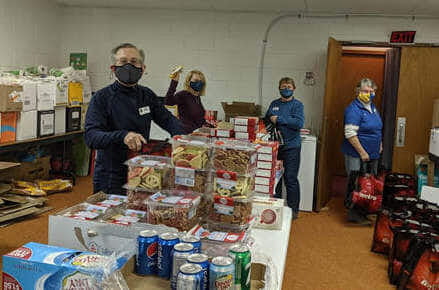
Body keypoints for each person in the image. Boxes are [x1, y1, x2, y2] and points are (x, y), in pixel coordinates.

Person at [85, 43, 184, 195]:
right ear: (113, 68)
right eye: (123, 61)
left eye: (134, 61)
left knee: (138, 213)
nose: (129, 66)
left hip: (142, 172)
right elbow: (91, 137)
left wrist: (185, 139)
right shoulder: (101, 97)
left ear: (143, 68)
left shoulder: (147, 95)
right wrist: (123, 136)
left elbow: (168, 120)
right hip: (111, 175)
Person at [342, 78, 383, 225]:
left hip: (372, 153)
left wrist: (380, 143)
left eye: (372, 91)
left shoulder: (373, 107)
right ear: (358, 91)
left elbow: (377, 128)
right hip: (357, 153)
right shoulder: (353, 109)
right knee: (357, 184)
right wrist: (362, 152)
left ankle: (365, 211)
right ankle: (354, 215)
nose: (369, 93)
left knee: (369, 184)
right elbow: (350, 134)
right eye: (365, 91)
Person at [265, 77, 305, 220]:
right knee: (275, 179)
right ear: (279, 88)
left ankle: (294, 210)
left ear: (294, 88)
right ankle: (277, 207)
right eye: (283, 86)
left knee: (290, 178)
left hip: (292, 147)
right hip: (275, 147)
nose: (286, 89)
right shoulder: (274, 104)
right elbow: (267, 119)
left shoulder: (297, 105)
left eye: (288, 86)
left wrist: (280, 119)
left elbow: (298, 123)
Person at [165, 69, 209, 133]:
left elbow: (199, 120)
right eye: (196, 80)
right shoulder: (183, 94)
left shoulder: (197, 97)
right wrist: (174, 82)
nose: (199, 83)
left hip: (195, 134)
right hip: (185, 134)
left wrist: (213, 127)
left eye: (201, 81)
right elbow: (168, 102)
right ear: (188, 81)